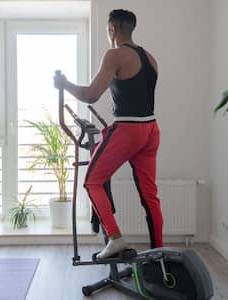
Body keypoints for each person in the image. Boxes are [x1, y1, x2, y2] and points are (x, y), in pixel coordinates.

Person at [54, 9, 163, 259]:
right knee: (150, 196)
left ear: (112, 29)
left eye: (107, 30)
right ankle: (160, 254)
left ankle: (115, 238)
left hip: (128, 129)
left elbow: (91, 95)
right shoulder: (150, 58)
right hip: (151, 130)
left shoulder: (115, 55)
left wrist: (65, 85)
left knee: (92, 181)